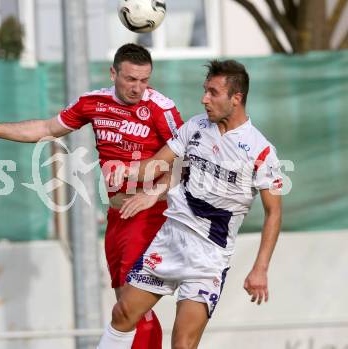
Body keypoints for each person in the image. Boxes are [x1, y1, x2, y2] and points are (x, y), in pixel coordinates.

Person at [0, 43, 184, 349]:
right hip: (118, 215)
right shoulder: (93, 102)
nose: (138, 88)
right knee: (126, 309)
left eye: (144, 80)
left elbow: (188, 160)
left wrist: (152, 195)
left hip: (149, 215)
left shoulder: (161, 108)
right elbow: (45, 128)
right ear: (113, 72)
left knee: (132, 307)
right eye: (131, 79)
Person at [98, 59, 283, 349]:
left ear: (236, 98)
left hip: (207, 256)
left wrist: (260, 268)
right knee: (122, 313)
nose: (204, 98)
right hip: (170, 238)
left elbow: (274, 213)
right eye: (204, 90)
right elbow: (157, 163)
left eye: (212, 92)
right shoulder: (196, 126)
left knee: (182, 343)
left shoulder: (261, 150)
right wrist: (126, 170)